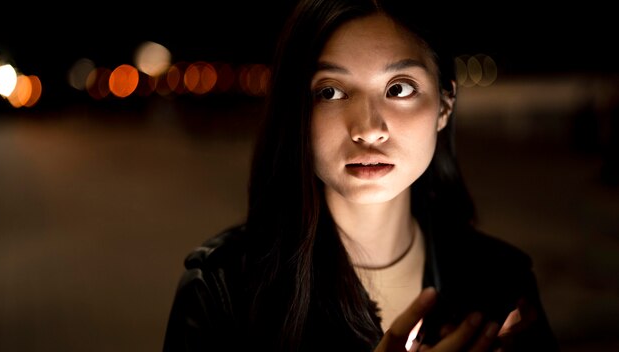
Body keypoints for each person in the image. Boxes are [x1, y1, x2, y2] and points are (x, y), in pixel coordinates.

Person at [163, 0, 560, 351]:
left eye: (400, 88)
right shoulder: (222, 292)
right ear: (296, 112)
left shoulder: (500, 283)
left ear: (444, 105)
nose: (368, 129)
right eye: (331, 92)